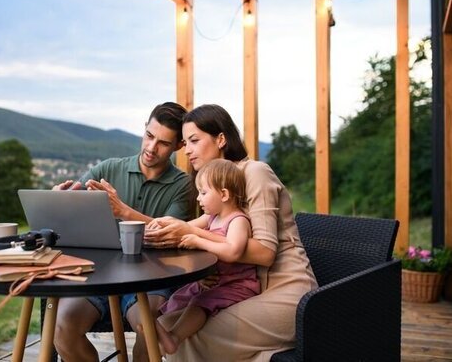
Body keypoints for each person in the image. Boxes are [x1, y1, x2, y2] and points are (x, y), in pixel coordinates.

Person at [144, 104, 318, 361]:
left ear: (221, 139)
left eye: (194, 140)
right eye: (185, 142)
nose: (187, 150)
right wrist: (161, 229)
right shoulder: (216, 187)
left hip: (287, 292)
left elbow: (265, 254)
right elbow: (195, 228)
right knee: (163, 327)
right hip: (244, 290)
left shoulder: (254, 172)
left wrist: (193, 236)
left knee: (188, 338)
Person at [53, 102, 195, 362]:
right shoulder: (108, 169)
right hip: (98, 277)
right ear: (144, 130)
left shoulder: (183, 185)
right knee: (62, 329)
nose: (151, 148)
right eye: (149, 136)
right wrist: (58, 201)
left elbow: (169, 232)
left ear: (178, 146)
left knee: (149, 327)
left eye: (163, 143)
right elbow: (70, 209)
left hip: (150, 279)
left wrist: (123, 211)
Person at [149, 158, 260, 355]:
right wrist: (164, 224)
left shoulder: (238, 220)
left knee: (199, 302)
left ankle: (174, 338)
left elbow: (233, 251)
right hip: (215, 280)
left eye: (203, 192)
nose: (198, 199)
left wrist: (199, 241)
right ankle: (155, 328)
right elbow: (186, 227)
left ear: (224, 194)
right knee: (179, 296)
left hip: (236, 284)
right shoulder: (212, 217)